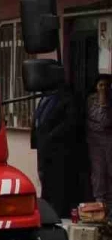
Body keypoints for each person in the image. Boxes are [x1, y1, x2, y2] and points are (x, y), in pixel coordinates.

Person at [31, 84, 84, 217]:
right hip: (44, 149)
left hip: (59, 150)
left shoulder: (67, 99)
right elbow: (38, 120)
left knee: (58, 184)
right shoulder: (44, 99)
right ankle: (47, 212)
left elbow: (70, 123)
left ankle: (58, 214)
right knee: (45, 181)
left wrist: (50, 137)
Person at [86, 75, 112, 208]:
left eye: (107, 85)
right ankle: (100, 204)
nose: (104, 88)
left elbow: (106, 121)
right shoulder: (91, 100)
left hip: (109, 140)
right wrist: (102, 103)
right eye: (101, 85)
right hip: (95, 141)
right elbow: (99, 120)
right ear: (96, 86)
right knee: (99, 172)